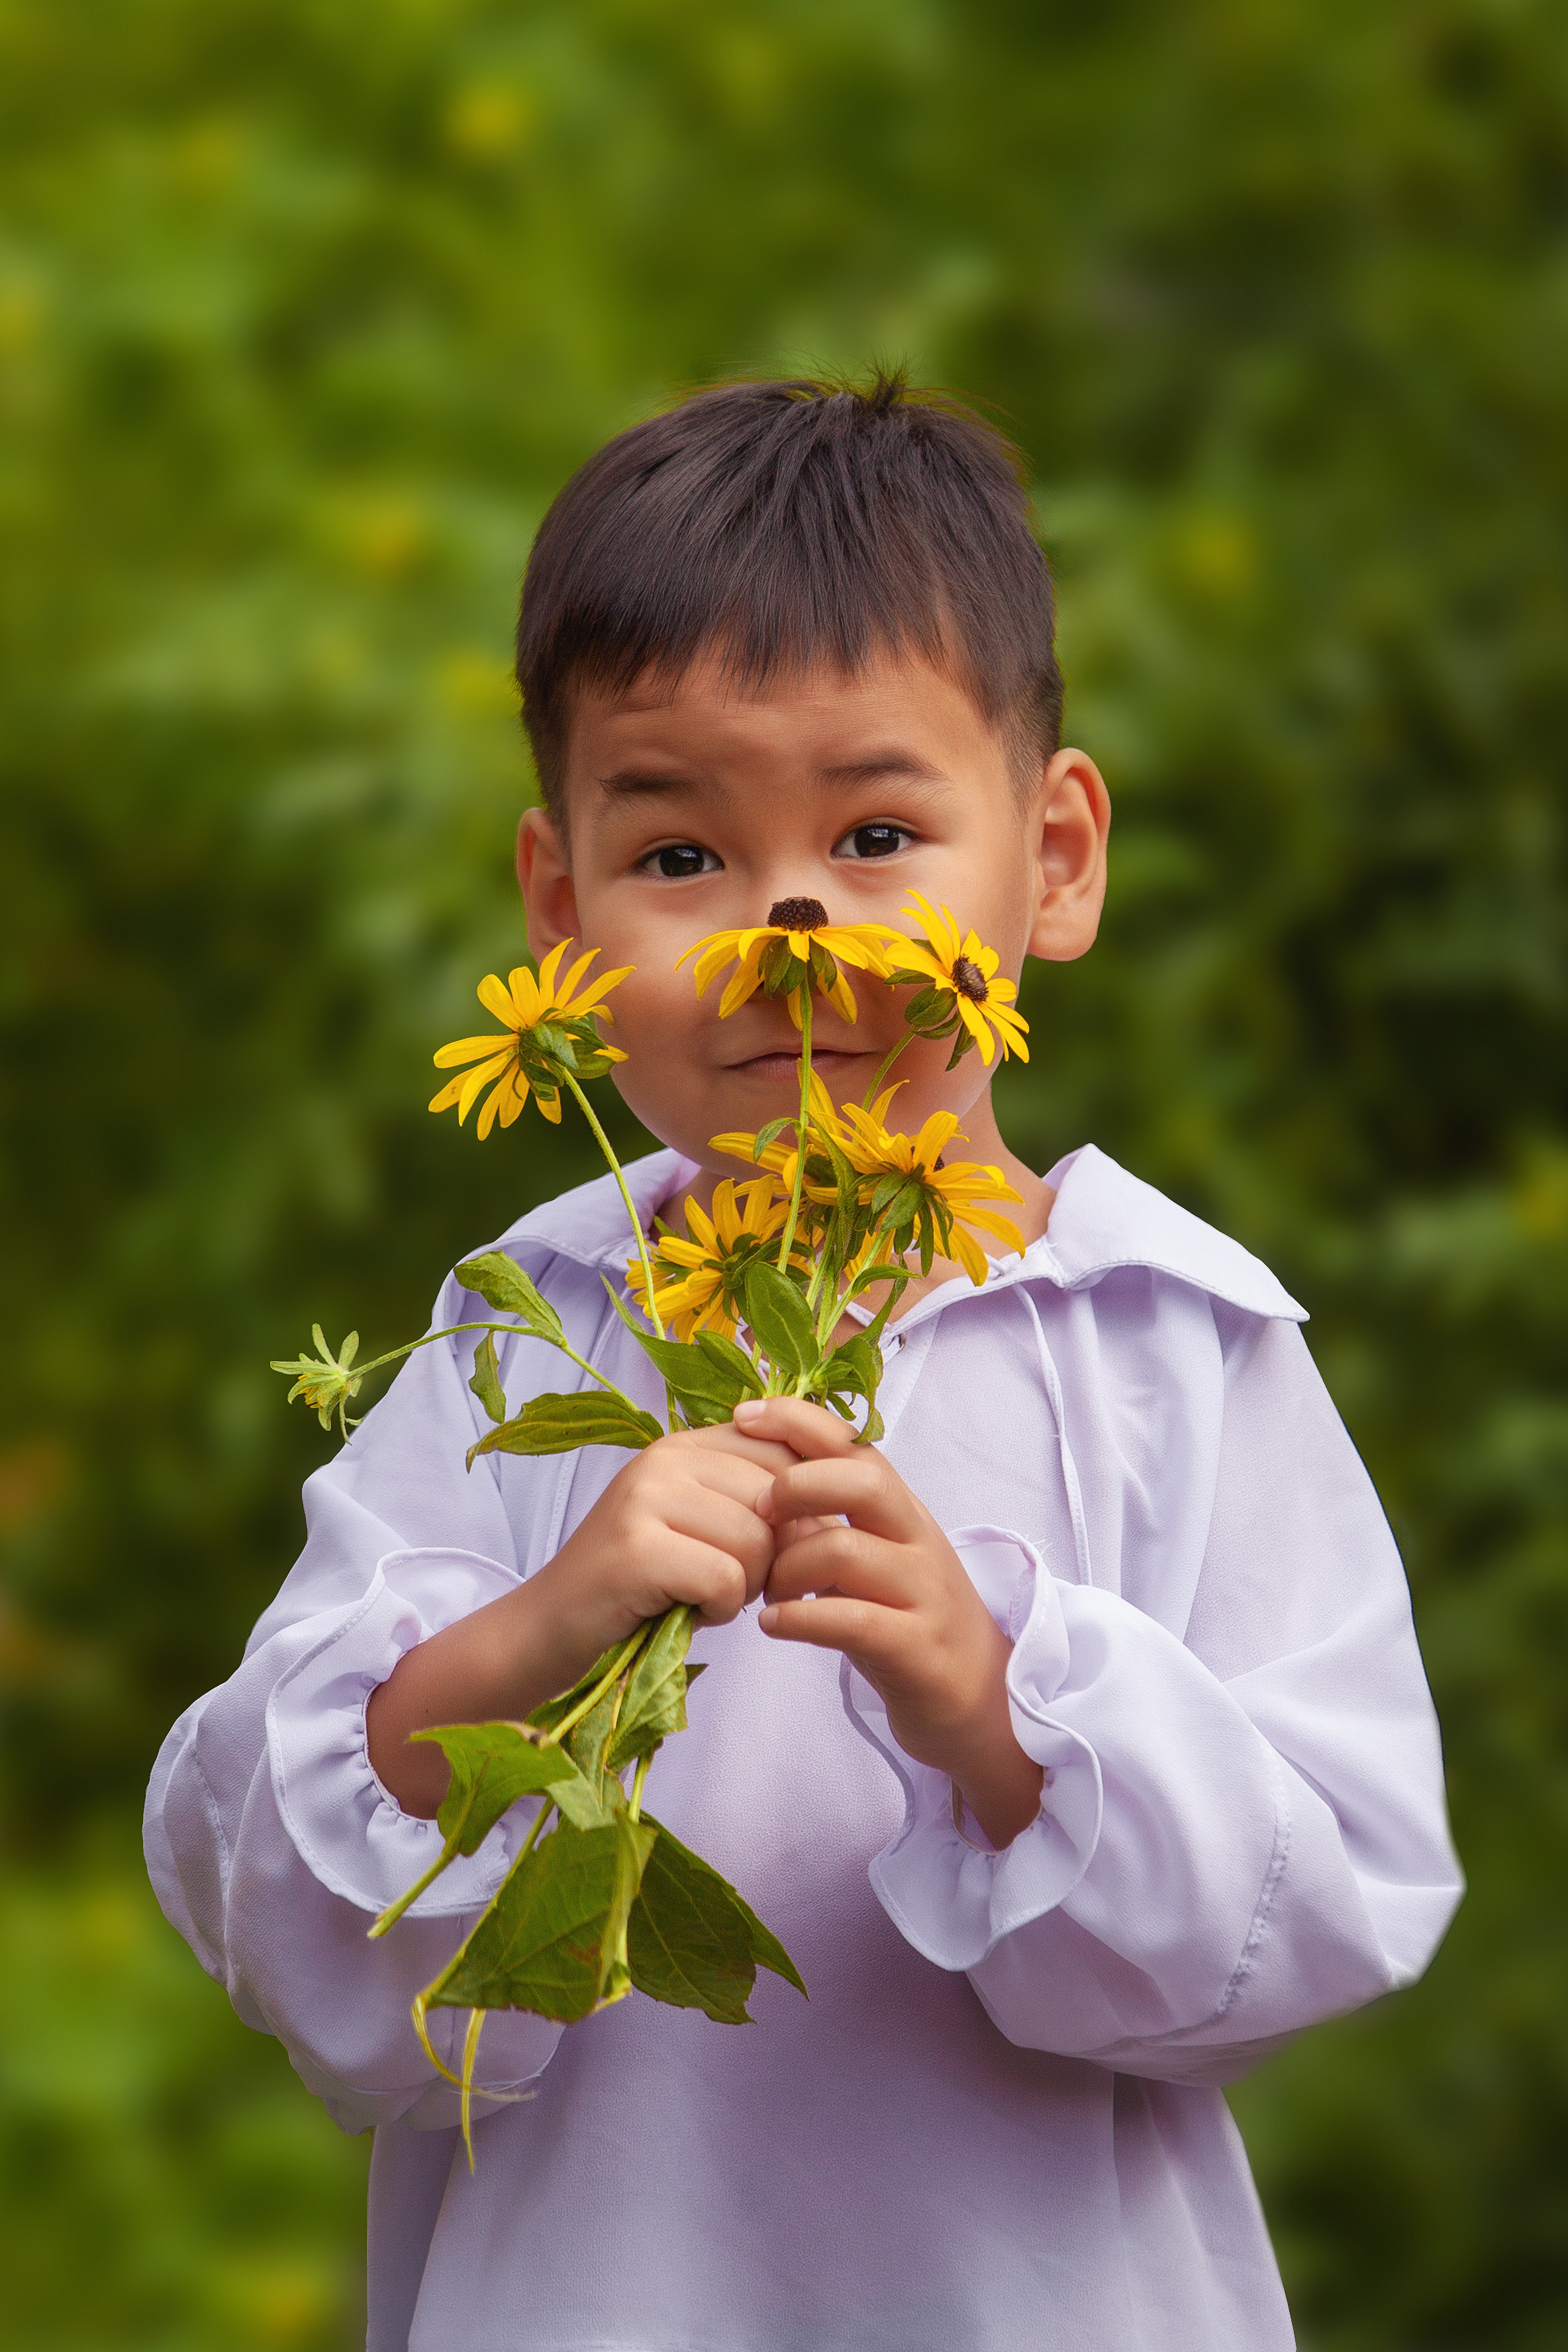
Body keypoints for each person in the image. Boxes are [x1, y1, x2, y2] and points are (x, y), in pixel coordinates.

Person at [144, 374, 1461, 2352]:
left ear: (1059, 856)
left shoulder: (1176, 1346)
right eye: (679, 856)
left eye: (873, 831)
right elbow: (273, 1899)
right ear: (559, 909)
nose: (785, 923)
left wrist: (997, 1709)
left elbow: (1326, 1904)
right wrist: (548, 1626)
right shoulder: (526, 1334)